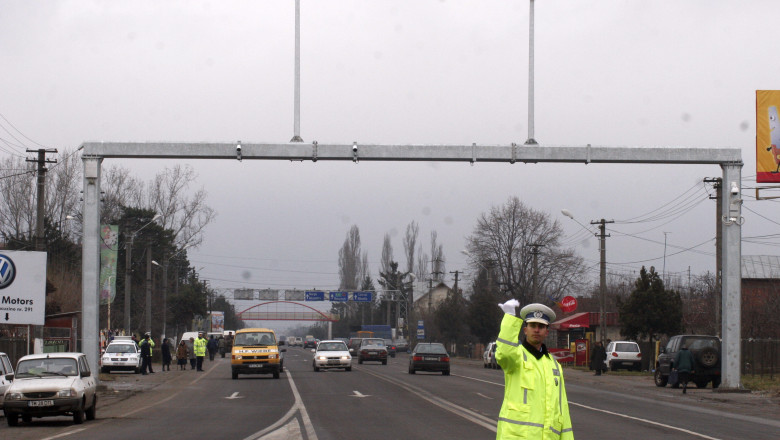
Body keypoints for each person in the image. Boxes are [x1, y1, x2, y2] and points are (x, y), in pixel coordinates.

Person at [495, 300, 574, 439]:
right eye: (532, 325)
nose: (537, 330)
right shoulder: (516, 356)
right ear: (525, 330)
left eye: (541, 326)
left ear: (547, 332)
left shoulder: (554, 365)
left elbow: (562, 409)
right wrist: (509, 319)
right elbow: (504, 353)